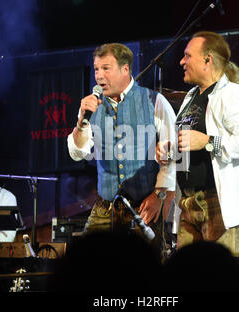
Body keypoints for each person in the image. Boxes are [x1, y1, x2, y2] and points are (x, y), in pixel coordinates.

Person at [156, 31, 239, 256]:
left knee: (217, 278)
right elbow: (189, 143)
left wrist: (208, 142)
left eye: (188, 56)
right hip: (187, 202)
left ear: (208, 59)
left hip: (217, 204)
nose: (181, 61)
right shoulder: (191, 96)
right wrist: (169, 148)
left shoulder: (234, 95)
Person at [67, 43, 177, 258]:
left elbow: (177, 155)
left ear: (125, 69)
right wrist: (81, 121)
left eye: (106, 68)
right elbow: (77, 153)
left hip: (144, 206)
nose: (99, 75)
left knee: (145, 271)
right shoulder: (91, 106)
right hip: (105, 206)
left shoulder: (154, 100)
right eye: (96, 69)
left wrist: (160, 195)